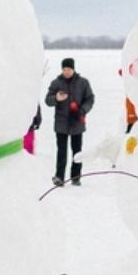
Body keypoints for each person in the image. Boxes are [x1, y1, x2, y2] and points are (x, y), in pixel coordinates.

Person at [45, 57, 94, 187]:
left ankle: (76, 177)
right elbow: (48, 100)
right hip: (61, 124)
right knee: (61, 151)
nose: (66, 72)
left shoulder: (83, 83)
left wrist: (82, 110)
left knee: (77, 151)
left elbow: (90, 99)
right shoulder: (56, 83)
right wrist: (56, 98)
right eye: (64, 69)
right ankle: (59, 177)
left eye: (69, 69)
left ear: (73, 69)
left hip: (77, 122)